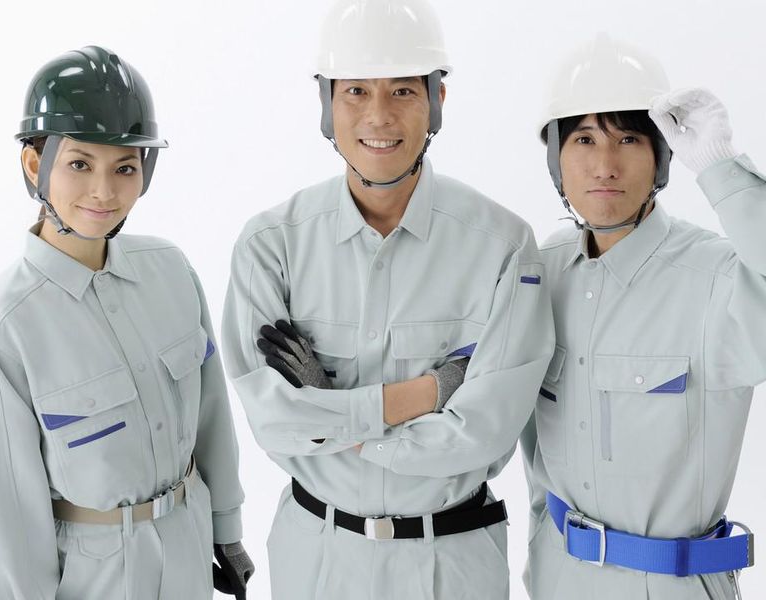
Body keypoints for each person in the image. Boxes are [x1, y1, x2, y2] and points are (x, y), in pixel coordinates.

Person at [222, 1, 554, 598]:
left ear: (437, 101)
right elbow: (274, 423)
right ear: (326, 103)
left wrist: (330, 415)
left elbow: (482, 435)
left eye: (402, 90)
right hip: (315, 560)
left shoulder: (504, 248)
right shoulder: (271, 245)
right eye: (355, 91)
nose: (378, 115)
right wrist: (430, 393)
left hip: (453, 565)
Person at [0, 46, 253, 599]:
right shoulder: (3, 331)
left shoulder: (170, 270)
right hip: (97, 580)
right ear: (35, 166)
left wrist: (227, 528)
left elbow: (212, 414)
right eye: (80, 164)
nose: (104, 191)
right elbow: (4, 522)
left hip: (189, 554)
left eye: (124, 168)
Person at [522, 34, 765, 600]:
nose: (605, 165)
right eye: (584, 139)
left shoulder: (717, 277)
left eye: (628, 139)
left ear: (661, 155)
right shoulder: (541, 271)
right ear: (556, 158)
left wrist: (721, 169)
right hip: (558, 579)